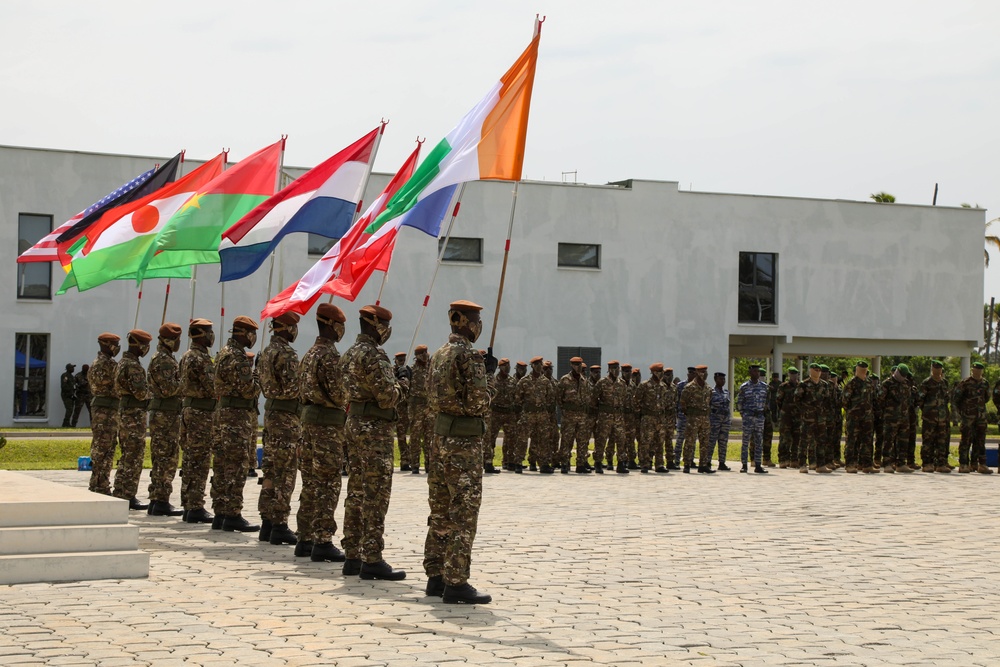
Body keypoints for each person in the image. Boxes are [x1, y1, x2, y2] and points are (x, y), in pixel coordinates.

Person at [424, 299, 495, 604]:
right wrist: (488, 379)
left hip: (441, 439)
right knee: (463, 511)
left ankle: (435, 575)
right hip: (464, 445)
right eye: (477, 321)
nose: (479, 327)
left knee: (440, 509)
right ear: (466, 322)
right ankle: (456, 580)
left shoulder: (439, 354)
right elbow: (479, 402)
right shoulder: (469, 356)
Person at [341, 304, 407, 580]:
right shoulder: (374, 355)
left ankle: (352, 554)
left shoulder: (349, 354)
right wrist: (403, 384)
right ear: (377, 325)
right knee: (376, 492)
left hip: (354, 424)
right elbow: (386, 396)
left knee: (356, 490)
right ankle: (372, 557)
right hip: (374, 429)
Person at [295, 303, 349, 563]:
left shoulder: (308, 354)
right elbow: (339, 394)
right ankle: (323, 540)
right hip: (327, 427)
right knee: (327, 483)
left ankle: (305, 537)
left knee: (311, 482)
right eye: (340, 325)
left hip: (308, 425)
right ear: (331, 325)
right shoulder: (330, 356)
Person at [211, 316, 261, 532]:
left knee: (222, 465)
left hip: (223, 413)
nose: (253, 338)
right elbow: (249, 389)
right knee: (236, 464)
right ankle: (232, 513)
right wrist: (258, 374)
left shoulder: (223, 353)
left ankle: (220, 511)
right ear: (244, 333)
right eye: (251, 333)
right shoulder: (238, 358)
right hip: (236, 416)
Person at [258, 312, 302, 546]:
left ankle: (267, 522)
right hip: (286, 417)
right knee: (285, 472)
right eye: (293, 326)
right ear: (285, 328)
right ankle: (279, 523)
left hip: (272, 414)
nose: (295, 331)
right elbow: (294, 388)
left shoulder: (266, 351)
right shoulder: (286, 353)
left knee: (271, 470)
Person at [178, 319, 216, 524]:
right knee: (199, 461)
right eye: (209, 332)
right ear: (201, 334)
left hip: (191, 411)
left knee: (191, 459)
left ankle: (189, 504)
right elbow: (212, 387)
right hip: (200, 414)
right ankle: (194, 506)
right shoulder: (199, 358)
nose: (212, 336)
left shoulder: (186, 356)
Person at [146, 323, 184, 516]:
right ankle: (161, 500)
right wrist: (184, 381)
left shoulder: (162, 358)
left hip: (163, 413)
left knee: (161, 456)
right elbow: (170, 389)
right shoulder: (165, 360)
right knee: (166, 457)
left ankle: (157, 499)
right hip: (165, 415)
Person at [113, 329, 152, 509]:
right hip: (134, 414)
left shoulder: (122, 362)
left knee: (127, 454)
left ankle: (120, 491)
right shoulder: (133, 366)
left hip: (126, 412)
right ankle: (128, 494)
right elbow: (141, 392)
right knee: (134, 456)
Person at [88, 333, 121, 496]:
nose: (117, 347)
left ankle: (96, 482)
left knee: (99, 447)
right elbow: (117, 387)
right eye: (115, 344)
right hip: (107, 409)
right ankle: (101, 485)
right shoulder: (108, 364)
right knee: (105, 449)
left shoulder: (95, 362)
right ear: (107, 344)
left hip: (100, 408)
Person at [515, 357, 557, 474]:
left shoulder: (545, 382)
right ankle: (518, 462)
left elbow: (550, 398)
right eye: (536, 364)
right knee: (523, 439)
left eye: (540, 364)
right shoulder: (524, 381)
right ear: (532, 366)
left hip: (542, 414)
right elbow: (518, 398)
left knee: (543, 439)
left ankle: (543, 464)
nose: (539, 366)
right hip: (528, 414)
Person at [953, 361, 991, 474]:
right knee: (966, 440)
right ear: (972, 370)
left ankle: (980, 464)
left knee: (980, 440)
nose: (977, 372)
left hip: (981, 417)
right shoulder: (965, 383)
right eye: (975, 370)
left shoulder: (985, 383)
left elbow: (987, 398)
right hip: (968, 417)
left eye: (979, 370)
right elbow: (956, 398)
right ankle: (964, 464)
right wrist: (962, 412)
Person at [556, 357, 592, 474]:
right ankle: (565, 463)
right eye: (576, 365)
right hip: (569, 416)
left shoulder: (584, 380)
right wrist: (565, 410)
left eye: (580, 364)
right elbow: (559, 397)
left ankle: (580, 464)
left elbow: (588, 397)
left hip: (582, 416)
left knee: (582, 441)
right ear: (571, 365)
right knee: (567, 440)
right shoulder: (565, 380)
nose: (578, 367)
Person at [593, 360, 629, 474]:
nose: (616, 371)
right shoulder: (602, 382)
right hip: (605, 416)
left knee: (621, 440)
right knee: (601, 440)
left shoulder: (622, 383)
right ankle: (598, 462)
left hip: (618, 416)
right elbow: (594, 398)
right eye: (613, 368)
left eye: (617, 368)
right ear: (609, 370)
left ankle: (621, 463)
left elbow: (624, 398)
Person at [841, 361, 876, 473]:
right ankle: (850, 464)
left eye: (865, 370)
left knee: (867, 440)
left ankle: (866, 464)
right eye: (861, 369)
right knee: (852, 441)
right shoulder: (852, 383)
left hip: (867, 417)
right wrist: (852, 411)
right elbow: (844, 401)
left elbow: (872, 399)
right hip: (854, 417)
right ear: (857, 370)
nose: (863, 372)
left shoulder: (869, 383)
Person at [880, 364, 915, 474]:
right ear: (897, 372)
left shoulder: (906, 384)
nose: (904, 377)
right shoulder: (887, 384)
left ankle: (901, 464)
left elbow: (908, 400)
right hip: (891, 418)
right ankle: (887, 464)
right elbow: (880, 400)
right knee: (888, 441)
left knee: (903, 441)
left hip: (904, 418)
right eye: (902, 375)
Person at [635, 363, 669, 474]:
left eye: (662, 372)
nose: (662, 374)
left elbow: (665, 402)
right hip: (648, 418)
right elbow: (636, 401)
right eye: (659, 372)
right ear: (654, 372)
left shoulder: (663, 386)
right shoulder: (644, 385)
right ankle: (644, 463)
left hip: (660, 418)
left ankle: (659, 464)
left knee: (659, 442)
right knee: (645, 441)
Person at [794, 363, 828, 473]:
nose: (818, 372)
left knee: (821, 442)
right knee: (804, 442)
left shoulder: (824, 385)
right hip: (808, 418)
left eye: (819, 370)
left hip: (820, 419)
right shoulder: (803, 384)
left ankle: (820, 465)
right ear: (811, 370)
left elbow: (827, 400)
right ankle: (802, 465)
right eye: (815, 369)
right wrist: (805, 411)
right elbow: (797, 399)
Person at [919, 360, 952, 473]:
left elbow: (947, 399)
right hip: (929, 418)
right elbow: (920, 400)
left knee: (942, 441)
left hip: (942, 417)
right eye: (935, 368)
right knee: (928, 441)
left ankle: (941, 464)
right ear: (932, 369)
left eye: (939, 369)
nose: (937, 371)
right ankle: (927, 463)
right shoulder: (926, 383)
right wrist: (928, 411)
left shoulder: (944, 383)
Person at [736, 364, 769, 473]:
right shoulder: (744, 386)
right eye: (754, 371)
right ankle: (744, 464)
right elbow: (739, 402)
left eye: (758, 371)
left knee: (759, 441)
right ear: (750, 373)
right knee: (746, 441)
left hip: (759, 416)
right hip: (748, 416)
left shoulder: (764, 386)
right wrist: (744, 414)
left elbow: (766, 402)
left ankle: (758, 464)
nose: (757, 373)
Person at [680, 365, 713, 473]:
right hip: (693, 419)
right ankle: (687, 464)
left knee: (705, 442)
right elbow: (683, 403)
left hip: (705, 418)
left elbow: (710, 402)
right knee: (690, 442)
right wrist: (689, 414)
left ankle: (703, 465)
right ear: (698, 373)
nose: (705, 374)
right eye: (703, 372)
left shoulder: (708, 388)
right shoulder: (689, 387)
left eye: (706, 372)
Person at [488, 358, 517, 474]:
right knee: (491, 438)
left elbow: (516, 395)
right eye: (504, 366)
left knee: (511, 439)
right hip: (496, 413)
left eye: (508, 366)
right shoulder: (494, 380)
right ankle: (489, 461)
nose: (507, 368)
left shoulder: (512, 381)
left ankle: (510, 461)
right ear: (500, 367)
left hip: (509, 413)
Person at [407, 345, 433, 474]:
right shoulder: (411, 370)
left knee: (429, 436)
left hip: (429, 407)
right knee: (415, 436)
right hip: (416, 407)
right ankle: (415, 464)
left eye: (426, 353)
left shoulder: (431, 369)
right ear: (417, 356)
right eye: (422, 353)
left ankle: (429, 463)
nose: (425, 356)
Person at [776, 368, 800, 468]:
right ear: (789, 375)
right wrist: (785, 410)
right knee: (784, 438)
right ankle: (783, 459)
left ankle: (794, 460)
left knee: (797, 438)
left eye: (795, 374)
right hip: (786, 416)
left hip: (798, 417)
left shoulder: (800, 386)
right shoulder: (783, 386)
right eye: (792, 374)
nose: (794, 376)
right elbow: (778, 400)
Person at [672, 367, 697, 468]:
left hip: (693, 417)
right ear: (688, 374)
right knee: (680, 439)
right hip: (682, 416)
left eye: (694, 373)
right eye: (690, 373)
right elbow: (675, 400)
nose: (691, 375)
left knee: (692, 439)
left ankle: (690, 460)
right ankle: (676, 460)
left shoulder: (697, 386)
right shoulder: (681, 385)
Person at [708, 372, 732, 471]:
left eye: (723, 379)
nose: (722, 381)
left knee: (723, 442)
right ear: (715, 379)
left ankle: (722, 463)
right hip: (714, 420)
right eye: (720, 379)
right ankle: (707, 461)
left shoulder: (726, 392)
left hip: (725, 420)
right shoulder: (711, 392)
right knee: (711, 441)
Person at [393, 352, 412, 469]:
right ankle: (404, 461)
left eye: (403, 359)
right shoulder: (392, 371)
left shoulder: (409, 371)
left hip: (408, 407)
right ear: (395, 360)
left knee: (413, 434)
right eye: (399, 359)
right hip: (397, 406)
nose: (401, 361)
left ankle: (408, 458)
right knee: (400, 435)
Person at [761, 371, 781, 466]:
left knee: (768, 436)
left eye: (762, 376)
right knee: (755, 438)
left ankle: (766, 458)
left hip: (768, 413)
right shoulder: (748, 387)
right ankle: (753, 459)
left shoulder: (768, 387)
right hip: (755, 416)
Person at [60, 363, 76, 427]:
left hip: (71, 395)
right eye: (72, 368)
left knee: (71, 409)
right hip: (66, 395)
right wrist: (71, 389)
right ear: (68, 368)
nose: (73, 369)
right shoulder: (65, 376)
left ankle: (67, 423)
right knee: (69, 409)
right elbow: (64, 386)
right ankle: (65, 423)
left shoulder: (71, 376)